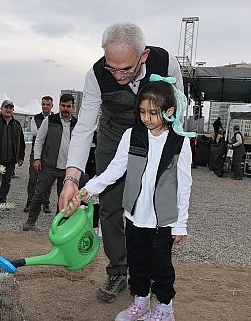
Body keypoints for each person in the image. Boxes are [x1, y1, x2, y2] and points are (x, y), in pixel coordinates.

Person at [58, 22, 184, 303]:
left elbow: (180, 108)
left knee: (153, 201)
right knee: (110, 205)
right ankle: (117, 270)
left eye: (125, 69)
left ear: (144, 55)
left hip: (154, 131)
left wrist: (171, 149)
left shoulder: (167, 64)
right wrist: (71, 178)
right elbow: (84, 125)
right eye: (111, 67)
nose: (117, 76)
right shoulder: (95, 74)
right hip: (114, 134)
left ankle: (148, 272)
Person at [78, 77, 193, 321]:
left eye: (153, 112)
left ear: (169, 111)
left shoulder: (180, 141)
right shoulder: (132, 135)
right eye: (142, 111)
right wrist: (90, 188)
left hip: (163, 220)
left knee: (161, 266)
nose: (146, 118)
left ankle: (164, 308)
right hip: (134, 215)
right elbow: (115, 169)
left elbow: (184, 184)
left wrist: (181, 223)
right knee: (138, 262)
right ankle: (140, 303)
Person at [22, 94, 76, 231]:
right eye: (63, 106)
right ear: (59, 106)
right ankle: (31, 221)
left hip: (67, 169)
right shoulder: (50, 120)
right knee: (39, 194)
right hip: (49, 166)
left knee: (63, 198)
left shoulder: (77, 123)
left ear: (73, 108)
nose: (65, 109)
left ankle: (59, 226)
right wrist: (37, 158)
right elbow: (39, 140)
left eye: (68, 106)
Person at [24, 96, 53, 213]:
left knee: (48, 180)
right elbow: (34, 132)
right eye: (44, 104)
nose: (45, 106)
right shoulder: (35, 118)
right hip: (35, 153)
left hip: (50, 153)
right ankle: (29, 202)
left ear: (52, 106)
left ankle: (46, 203)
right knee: (33, 179)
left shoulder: (54, 118)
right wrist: (48, 131)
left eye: (48, 104)